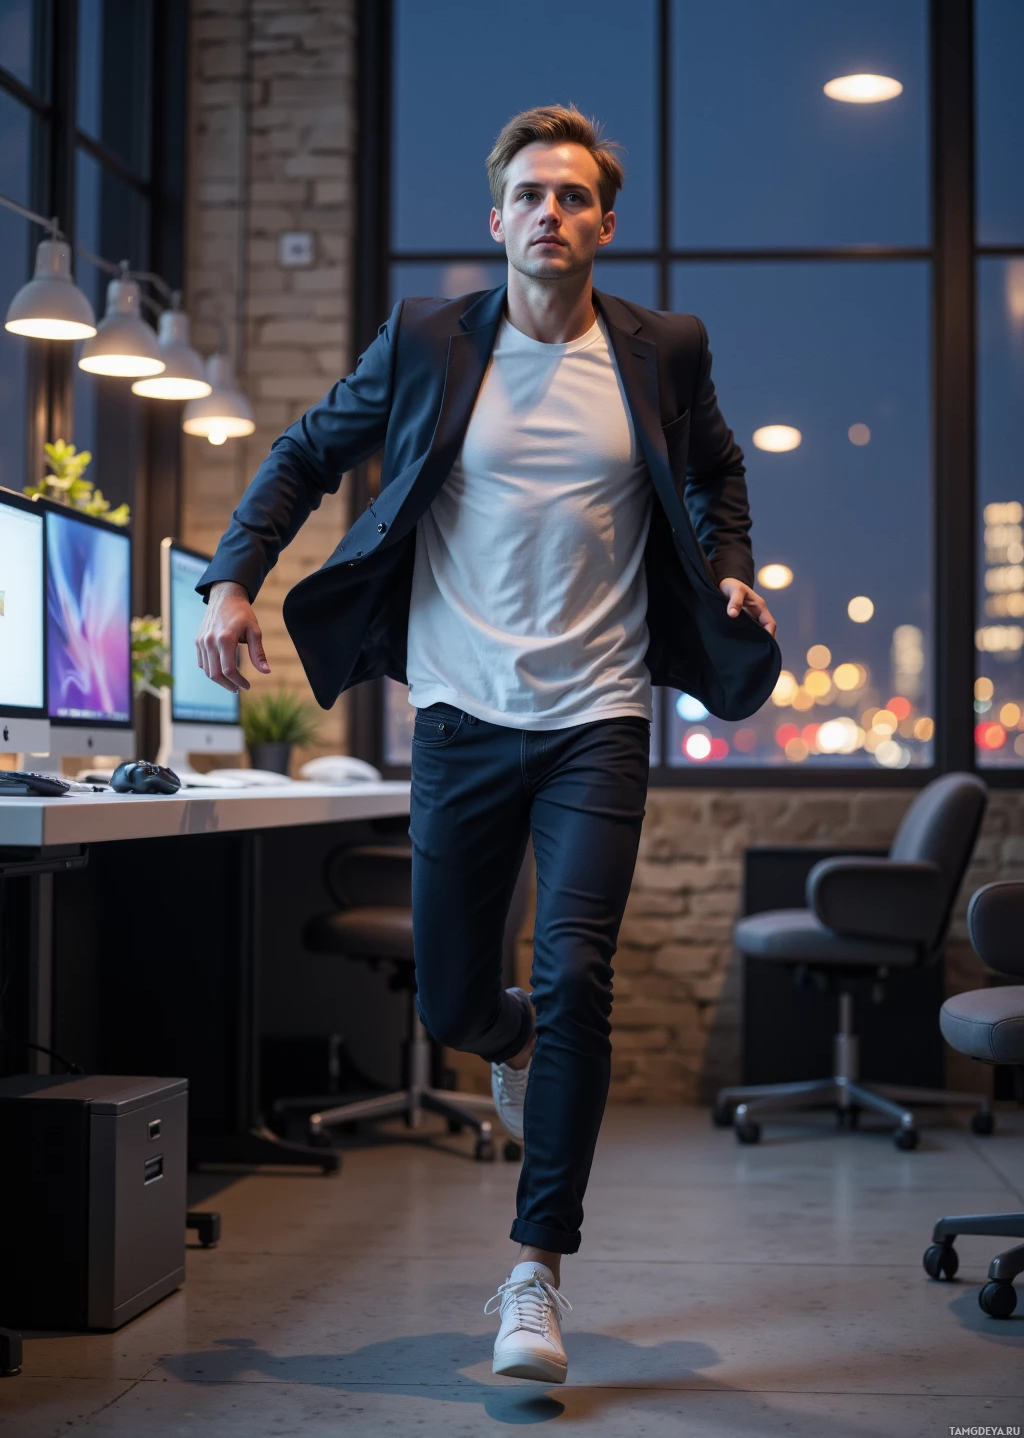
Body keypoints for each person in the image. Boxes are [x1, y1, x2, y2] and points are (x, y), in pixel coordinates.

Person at [195, 104, 780, 1385]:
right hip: (459, 716)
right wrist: (232, 578)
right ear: (497, 218)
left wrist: (730, 563)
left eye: (571, 196)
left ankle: (534, 1274)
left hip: (599, 718)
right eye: (528, 195)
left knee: (576, 976)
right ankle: (507, 1042)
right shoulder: (428, 339)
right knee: (457, 999)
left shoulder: (664, 350)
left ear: (604, 224)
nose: (548, 213)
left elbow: (716, 474)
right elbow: (306, 453)